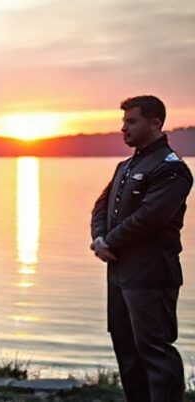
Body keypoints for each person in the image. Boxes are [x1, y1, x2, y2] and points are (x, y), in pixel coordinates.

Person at [90, 95, 192, 402]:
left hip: (151, 276)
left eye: (131, 121)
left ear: (155, 123)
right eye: (123, 121)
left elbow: (149, 218)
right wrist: (99, 239)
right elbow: (101, 206)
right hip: (120, 274)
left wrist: (110, 241)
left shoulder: (172, 169)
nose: (124, 128)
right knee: (126, 349)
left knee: (155, 352)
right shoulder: (125, 165)